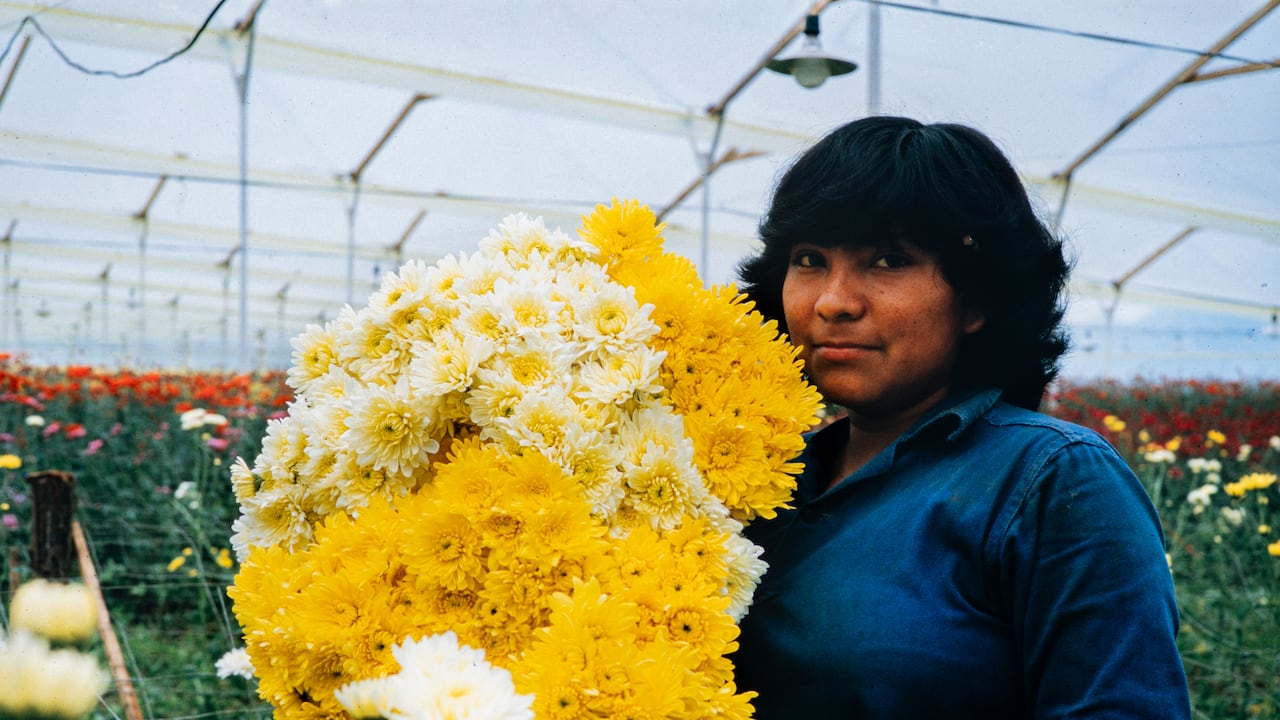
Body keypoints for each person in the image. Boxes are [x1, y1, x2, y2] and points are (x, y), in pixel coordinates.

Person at [731, 116, 1191, 719]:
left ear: (977, 299)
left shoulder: (1053, 481)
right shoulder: (761, 482)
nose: (833, 301)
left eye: (889, 260)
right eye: (809, 258)